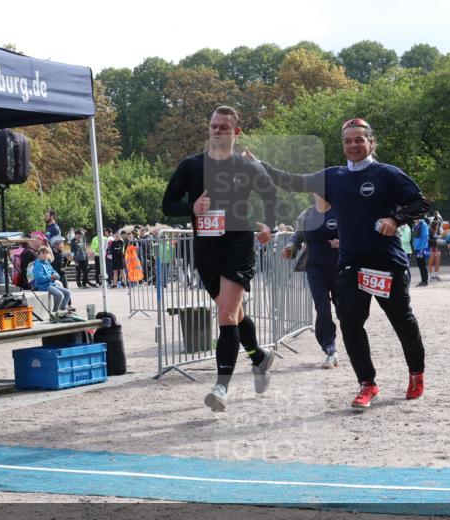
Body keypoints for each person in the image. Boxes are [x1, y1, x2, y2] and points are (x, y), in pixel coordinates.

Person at [247, 117, 429, 409]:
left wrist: (395, 219)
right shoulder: (333, 176)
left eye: (359, 139)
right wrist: (261, 166)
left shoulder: (387, 174)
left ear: (371, 143)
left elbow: (420, 202)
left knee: (402, 322)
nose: (353, 145)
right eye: (348, 141)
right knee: (350, 323)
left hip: (386, 263)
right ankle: (367, 384)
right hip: (351, 265)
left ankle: (416, 374)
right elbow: (291, 181)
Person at [161, 105, 277, 412]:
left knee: (226, 313)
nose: (217, 130)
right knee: (234, 313)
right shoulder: (191, 166)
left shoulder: (247, 167)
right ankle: (259, 358)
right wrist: (192, 208)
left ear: (236, 132)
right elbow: (168, 203)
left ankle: (221, 387)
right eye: (213, 126)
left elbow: (270, 197)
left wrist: (269, 225)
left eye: (224, 127)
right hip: (206, 250)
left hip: (239, 244)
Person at [284, 194, 340, 368]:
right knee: (322, 308)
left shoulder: (340, 210)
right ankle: (330, 349)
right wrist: (291, 247)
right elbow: (297, 237)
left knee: (346, 311)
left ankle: (355, 349)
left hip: (340, 266)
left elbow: (355, 233)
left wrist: (342, 243)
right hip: (315, 267)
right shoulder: (306, 215)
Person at [29, 246, 71, 312]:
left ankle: (63, 309)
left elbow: (54, 272)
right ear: (39, 255)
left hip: (51, 284)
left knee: (68, 292)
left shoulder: (47, 263)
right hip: (43, 286)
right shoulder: (38, 265)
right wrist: (50, 277)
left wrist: (56, 276)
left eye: (46, 253)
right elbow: (39, 278)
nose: (45, 255)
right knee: (59, 295)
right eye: (43, 253)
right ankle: (55, 311)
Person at [411, 216, 431, 286]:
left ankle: (425, 281)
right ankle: (423, 280)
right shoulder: (415, 225)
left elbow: (425, 237)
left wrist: (422, 249)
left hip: (422, 249)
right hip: (417, 248)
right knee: (420, 265)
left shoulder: (423, 224)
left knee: (423, 265)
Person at [427, 216, 443, 281]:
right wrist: (436, 240)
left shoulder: (437, 231)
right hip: (431, 248)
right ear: (434, 225)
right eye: (437, 225)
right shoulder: (429, 231)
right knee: (431, 262)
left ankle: (436, 275)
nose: (438, 226)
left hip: (437, 248)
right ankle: (431, 277)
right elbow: (428, 240)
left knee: (437, 262)